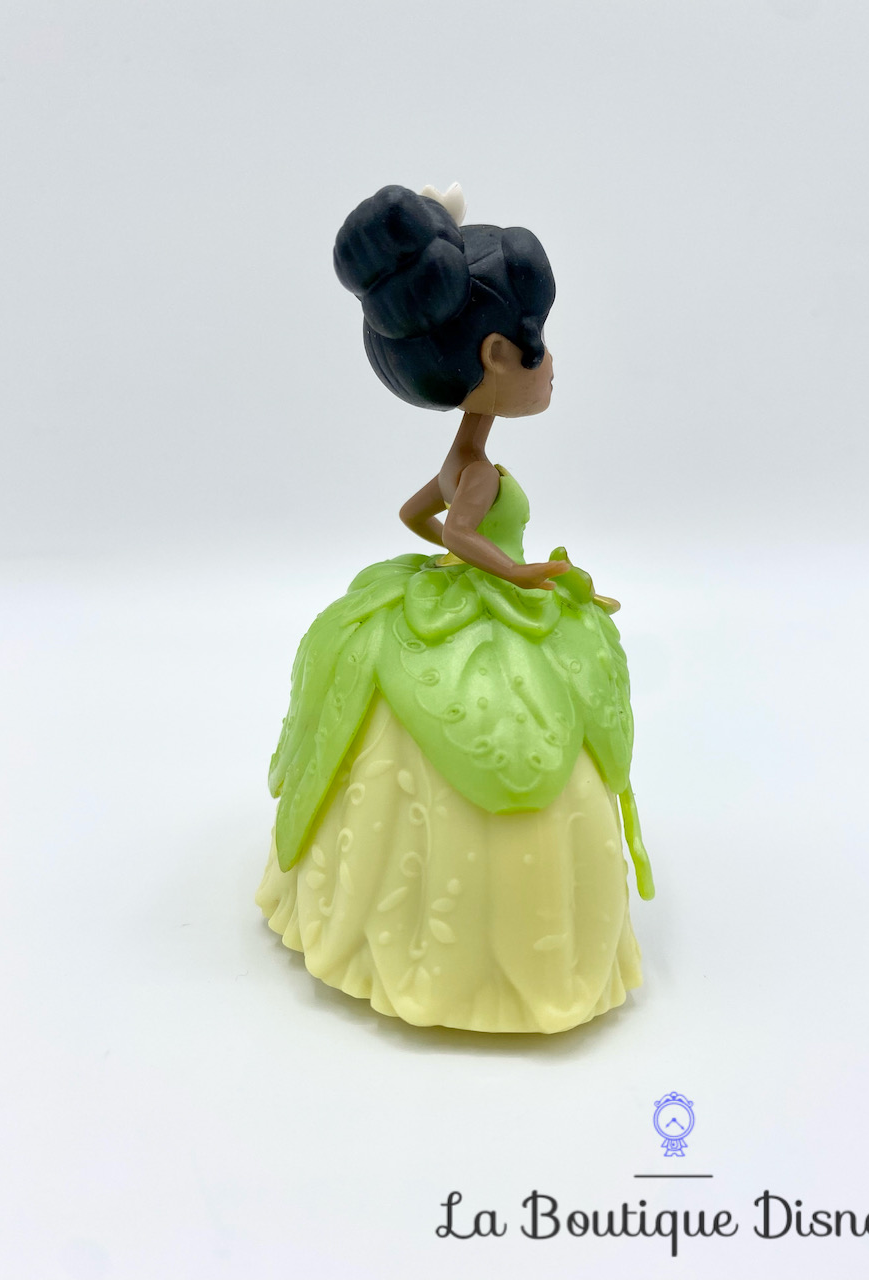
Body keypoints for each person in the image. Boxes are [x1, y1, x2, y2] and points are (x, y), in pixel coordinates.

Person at [256, 183, 654, 1033]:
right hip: (487, 593)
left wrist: (460, 551)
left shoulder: (463, 455)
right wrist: (514, 571)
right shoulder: (475, 473)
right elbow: (460, 529)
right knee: (508, 732)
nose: (555, 365)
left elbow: (415, 517)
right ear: (500, 352)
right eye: (544, 348)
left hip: (465, 583)